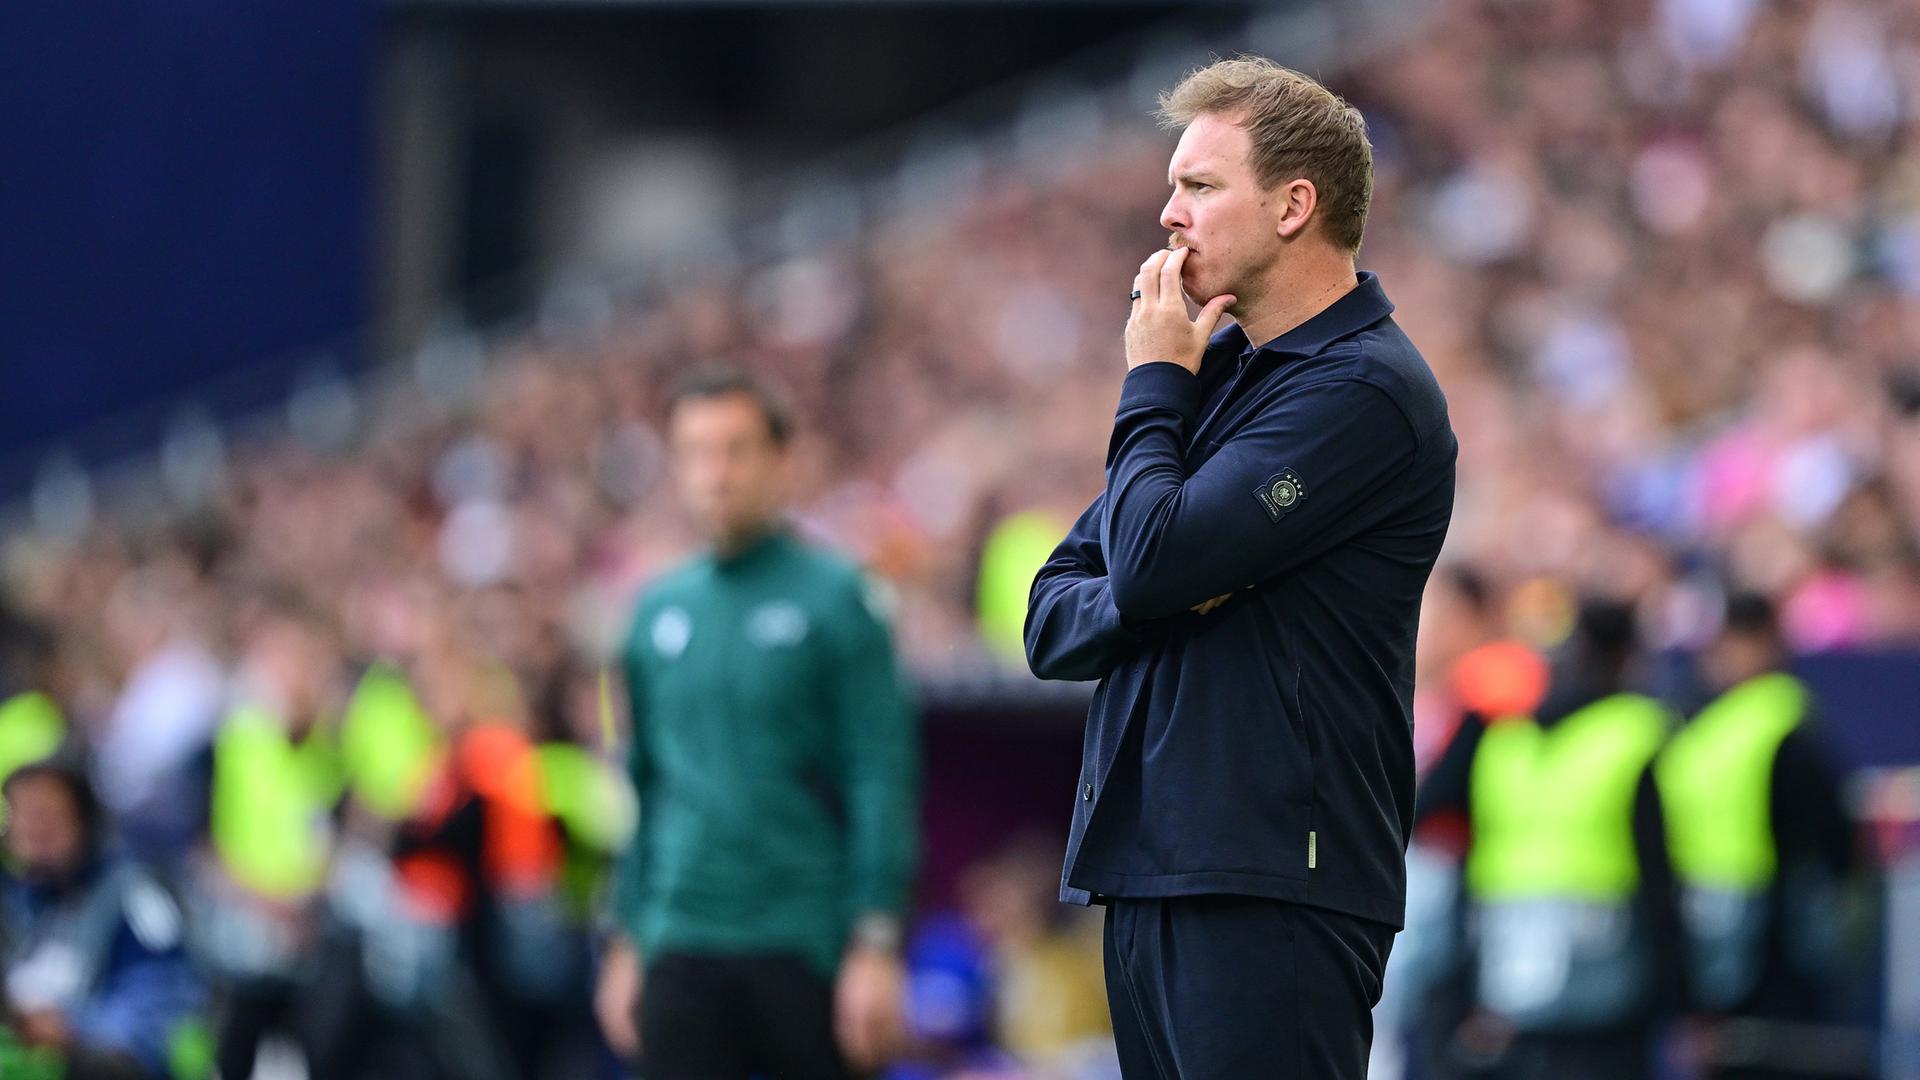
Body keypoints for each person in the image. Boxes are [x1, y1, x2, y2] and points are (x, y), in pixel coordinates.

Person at [1024, 57, 1456, 1078]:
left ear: (1295, 205)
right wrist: (1168, 577)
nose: (1169, 215)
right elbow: (1054, 613)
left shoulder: (1363, 393)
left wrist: (1152, 391)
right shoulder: (1218, 376)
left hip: (1275, 881)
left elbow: (1148, 562)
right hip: (1155, 869)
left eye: (1200, 186)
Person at [595, 367, 920, 1080]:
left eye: (736, 449)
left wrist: (875, 940)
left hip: (803, 940)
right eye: (697, 452)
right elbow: (646, 786)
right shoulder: (656, 612)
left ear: (782, 459)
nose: (716, 473)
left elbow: (880, 774)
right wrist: (625, 939)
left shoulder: (838, 598)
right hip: (680, 937)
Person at [1418, 598, 1685, 1080]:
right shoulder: (1635, 732)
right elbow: (1660, 874)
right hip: (1610, 975)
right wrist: (1679, 993)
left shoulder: (1502, 737)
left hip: (1507, 969)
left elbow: (1436, 820)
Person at [1657, 592, 1867, 1079]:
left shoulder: (1780, 724)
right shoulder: (1708, 723)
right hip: (1718, 926)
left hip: (1770, 932)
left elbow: (1829, 839)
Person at [0, 758, 205, 1080]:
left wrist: (72, 1029)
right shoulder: (18, 898)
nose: (31, 829)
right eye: (20, 815)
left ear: (83, 818)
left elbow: (161, 1001)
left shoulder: (134, 895)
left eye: (45, 815)